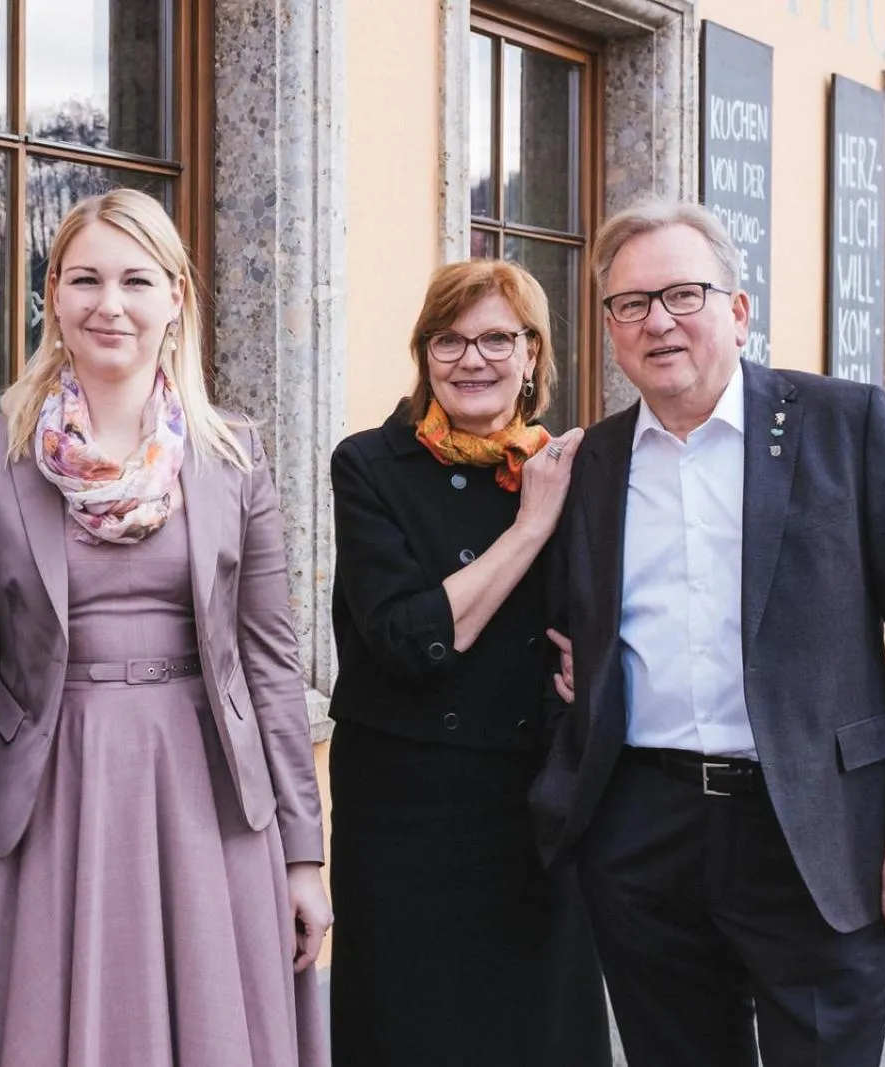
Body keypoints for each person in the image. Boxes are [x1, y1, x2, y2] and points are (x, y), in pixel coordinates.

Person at [530, 199, 885, 1066]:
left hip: (810, 828)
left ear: (737, 311)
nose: (658, 321)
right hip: (641, 833)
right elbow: (560, 629)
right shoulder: (591, 464)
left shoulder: (844, 424)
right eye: (631, 303)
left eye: (683, 294)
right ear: (611, 329)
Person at [0, 188, 330, 1067]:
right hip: (49, 797)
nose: (108, 304)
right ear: (52, 294)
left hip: (208, 795)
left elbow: (270, 664)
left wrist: (304, 856)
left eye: (136, 280)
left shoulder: (234, 454)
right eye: (85, 279)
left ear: (175, 297)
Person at [325, 259, 610, 1066]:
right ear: (424, 354)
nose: (471, 359)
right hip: (404, 802)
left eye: (495, 339)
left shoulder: (575, 467)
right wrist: (529, 528)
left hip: (533, 793)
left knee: (536, 1028)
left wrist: (596, 670)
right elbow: (407, 638)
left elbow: (615, 609)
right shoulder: (369, 465)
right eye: (447, 340)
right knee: (409, 1024)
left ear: (532, 353)